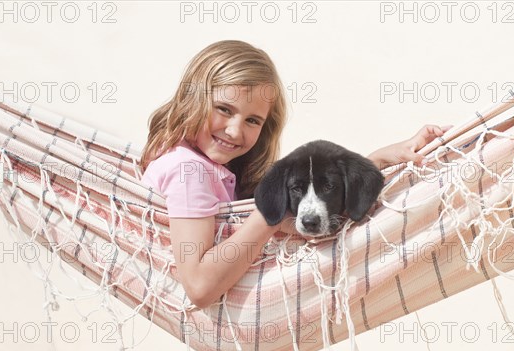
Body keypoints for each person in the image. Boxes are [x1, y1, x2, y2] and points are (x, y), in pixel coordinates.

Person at [140, 40, 451, 308]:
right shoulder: (189, 172)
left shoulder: (203, 164)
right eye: (224, 109)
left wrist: (377, 161)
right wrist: (268, 214)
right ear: (193, 99)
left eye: (252, 120)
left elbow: (307, 208)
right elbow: (199, 287)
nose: (234, 130)